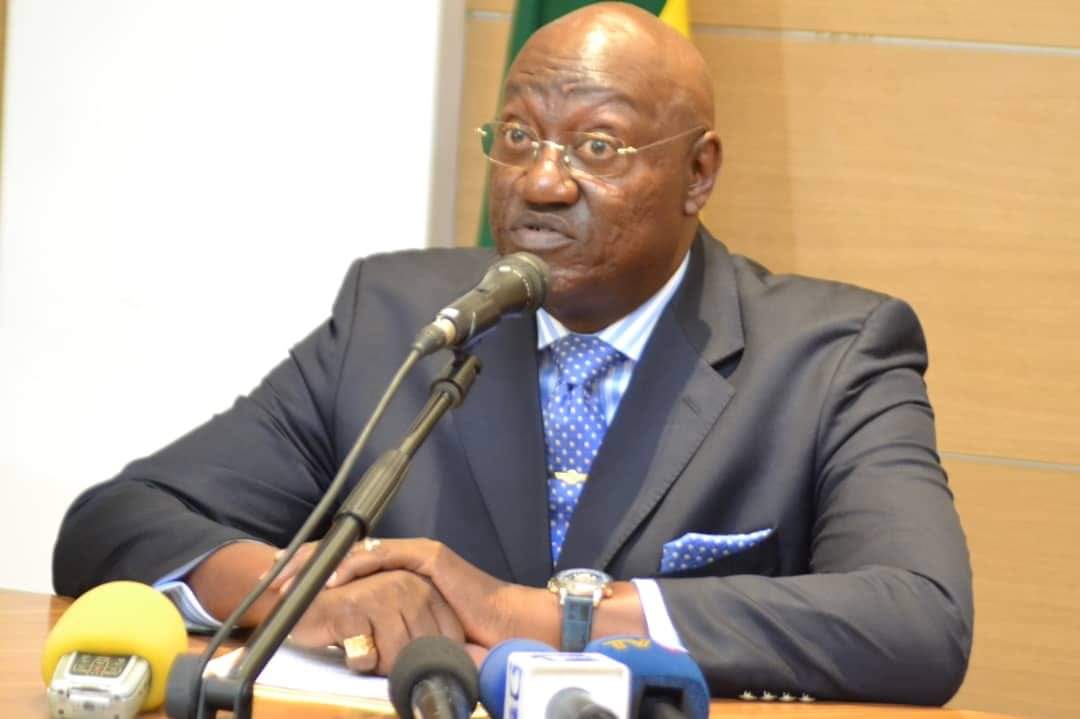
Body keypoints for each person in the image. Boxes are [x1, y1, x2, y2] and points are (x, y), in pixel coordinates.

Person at [52, 2, 973, 705]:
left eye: (597, 145)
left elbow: (919, 617)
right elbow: (115, 521)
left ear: (698, 172)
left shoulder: (831, 356)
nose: (541, 181)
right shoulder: (400, 317)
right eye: (520, 136)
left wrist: (535, 615)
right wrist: (307, 592)